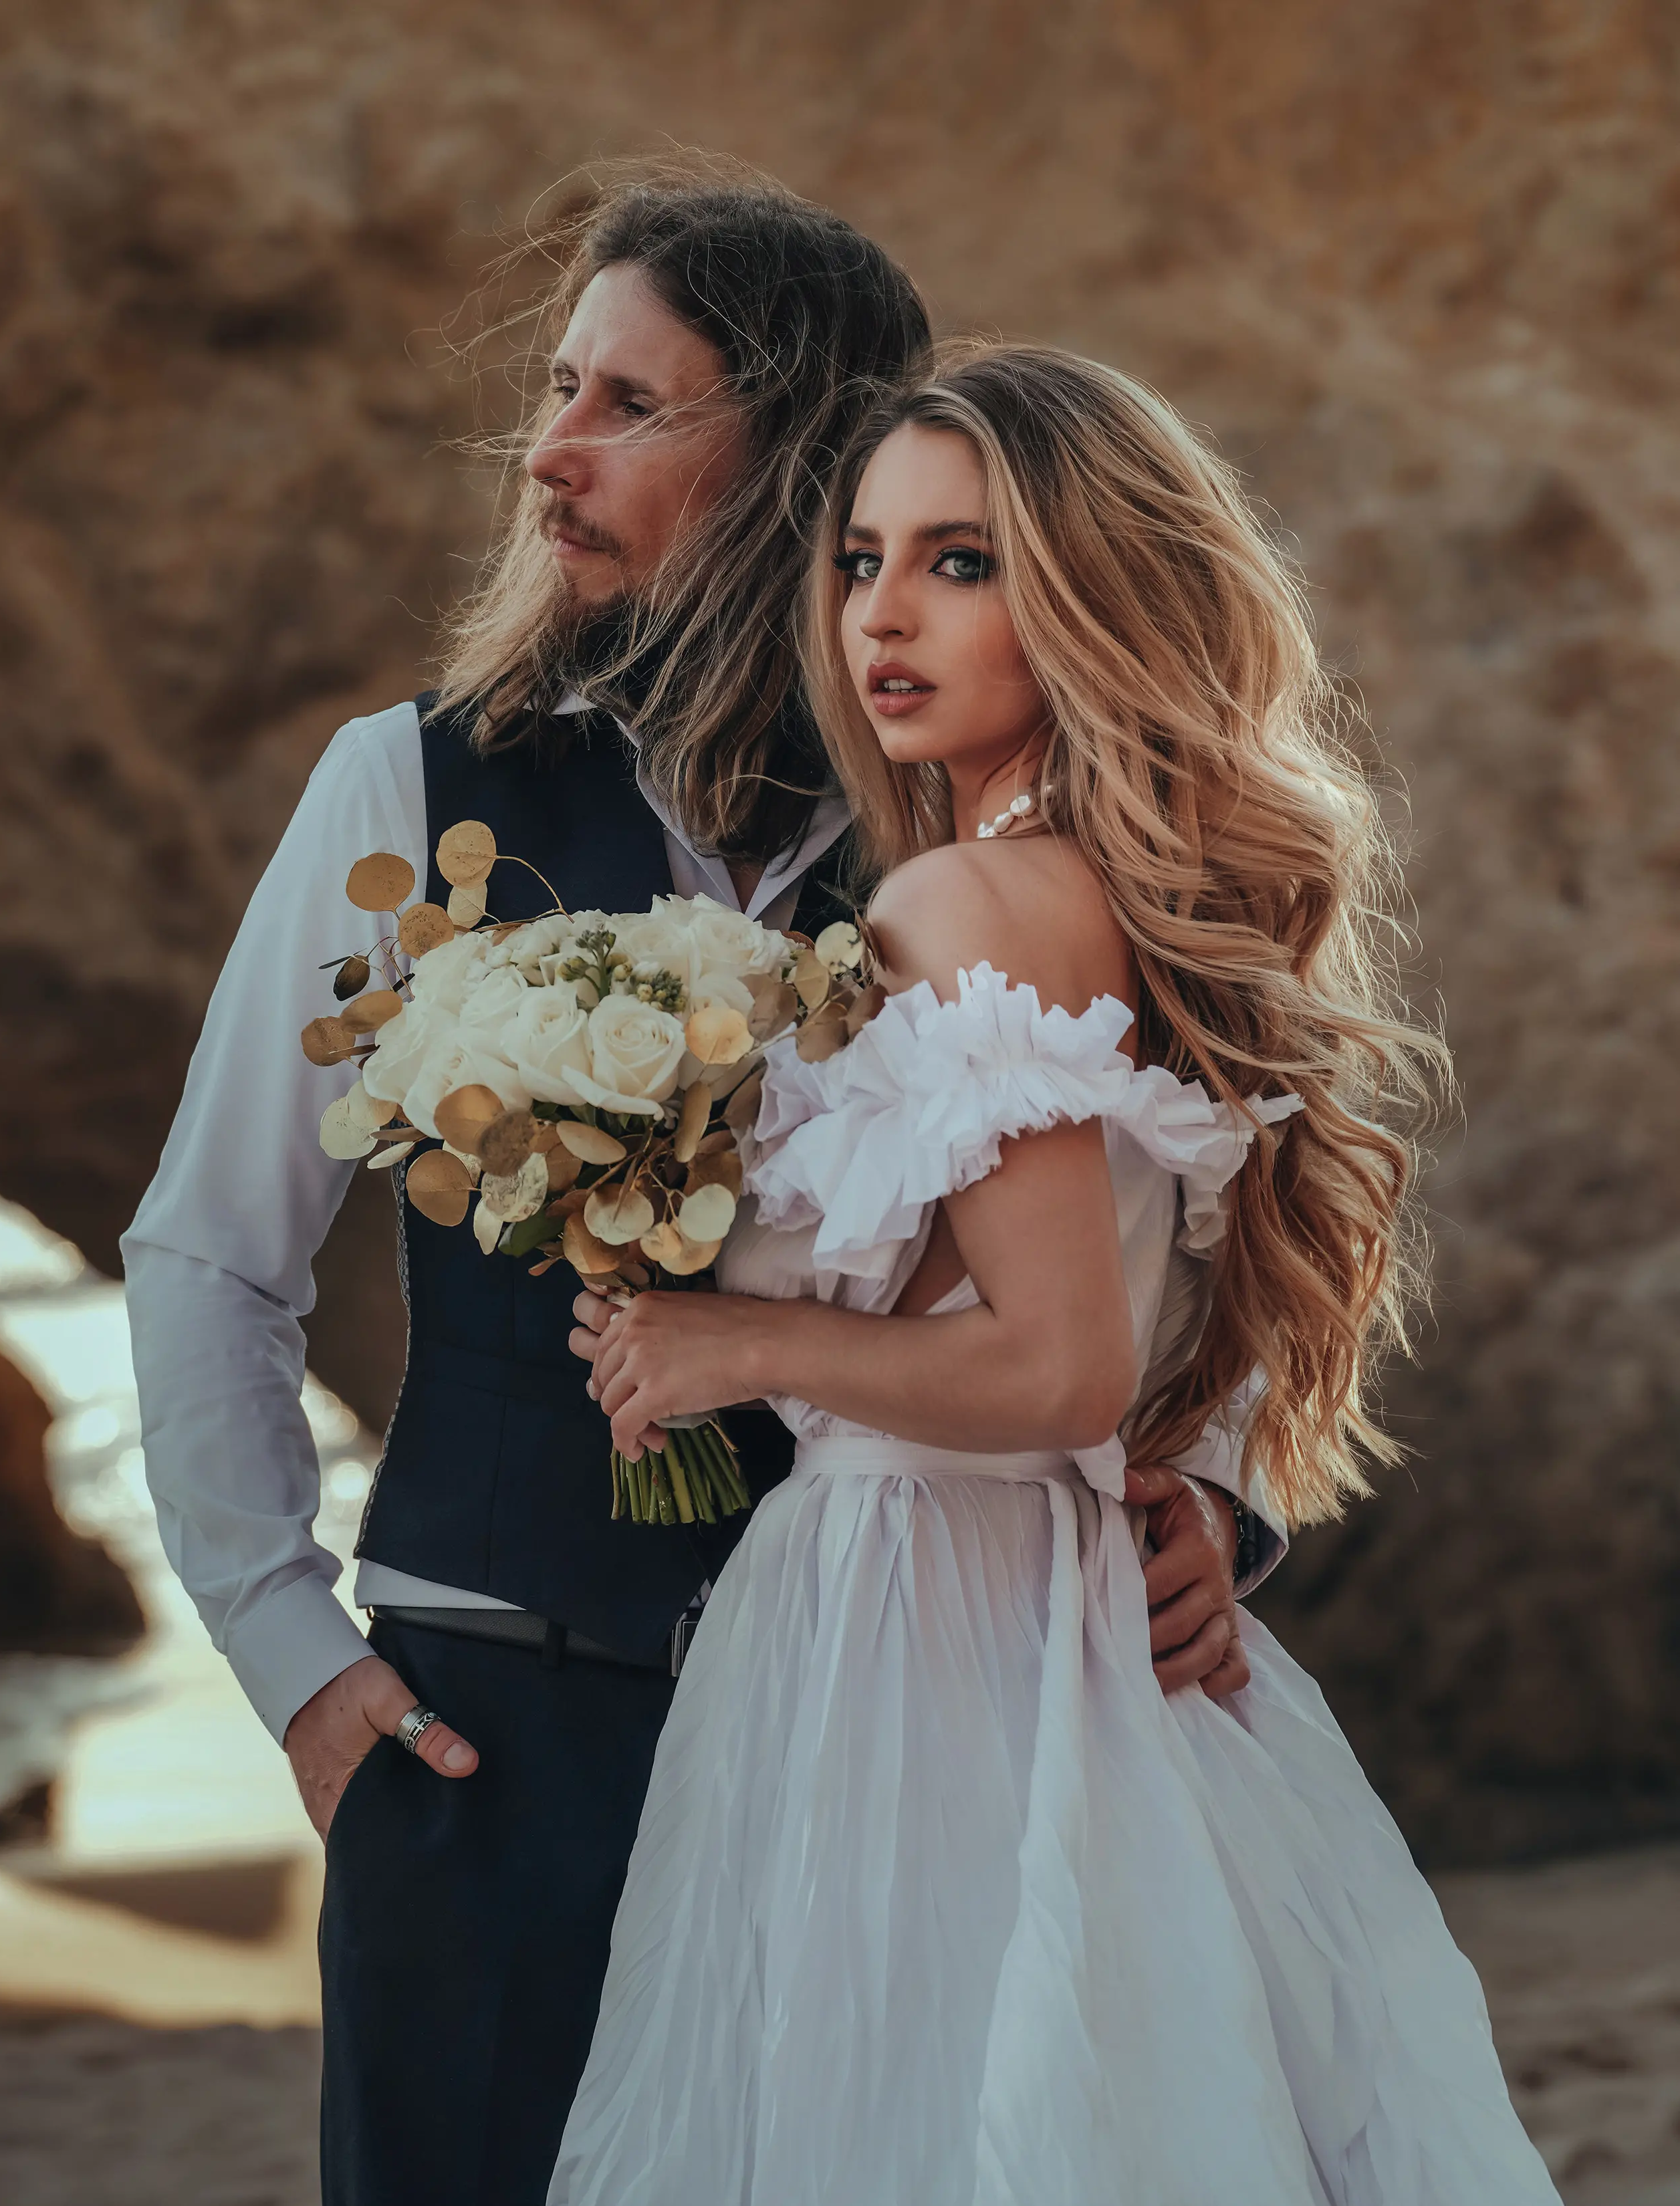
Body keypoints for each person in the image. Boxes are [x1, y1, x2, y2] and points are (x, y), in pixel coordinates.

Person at [120, 171, 1278, 2204]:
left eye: (627, 404)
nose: (547, 451)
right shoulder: (404, 791)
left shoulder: (964, 833)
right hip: (486, 1730)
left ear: (789, 462)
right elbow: (213, 1251)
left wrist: (1222, 1489)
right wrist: (293, 1663)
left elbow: (1174, 1182)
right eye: (557, 387)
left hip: (890, 1737)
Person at [554, 343, 1562, 2203]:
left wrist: (722, 1336)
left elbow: (1055, 1371)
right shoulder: (1103, 894)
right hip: (1056, 1603)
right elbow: (1129, 1340)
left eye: (962, 559)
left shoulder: (961, 906)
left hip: (920, 1618)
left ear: (1093, 589)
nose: (883, 613)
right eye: (860, 559)